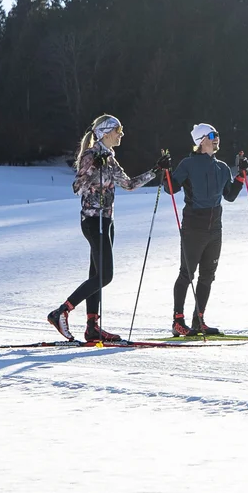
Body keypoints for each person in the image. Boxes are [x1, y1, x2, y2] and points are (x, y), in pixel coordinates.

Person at [46, 114, 168, 343]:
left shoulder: (110, 158)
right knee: (105, 275)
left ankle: (92, 327)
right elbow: (77, 186)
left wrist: (155, 170)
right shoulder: (91, 156)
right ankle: (61, 311)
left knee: (95, 274)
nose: (121, 134)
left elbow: (129, 184)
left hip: (107, 221)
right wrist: (94, 168)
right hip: (93, 221)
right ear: (105, 132)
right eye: (118, 130)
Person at [165, 123, 248, 336]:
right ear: (201, 140)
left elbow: (229, 195)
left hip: (215, 227)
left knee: (208, 275)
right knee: (187, 274)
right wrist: (165, 170)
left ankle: (198, 320)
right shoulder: (188, 164)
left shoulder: (221, 167)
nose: (216, 138)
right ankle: (178, 321)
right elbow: (171, 188)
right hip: (194, 226)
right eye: (212, 135)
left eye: (217, 134)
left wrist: (240, 175)